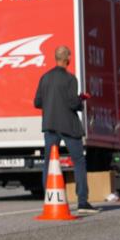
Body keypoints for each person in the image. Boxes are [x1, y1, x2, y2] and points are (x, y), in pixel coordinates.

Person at [33, 46, 98, 214]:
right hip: (68, 125)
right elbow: (73, 103)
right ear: (67, 58)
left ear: (56, 58)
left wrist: (51, 103)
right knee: (78, 161)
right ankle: (82, 202)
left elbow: (37, 103)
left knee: (49, 161)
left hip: (50, 125)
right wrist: (81, 99)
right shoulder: (70, 79)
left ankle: (49, 198)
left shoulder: (44, 78)